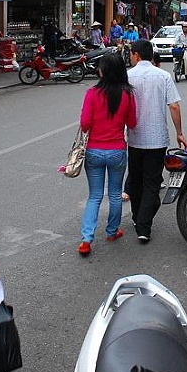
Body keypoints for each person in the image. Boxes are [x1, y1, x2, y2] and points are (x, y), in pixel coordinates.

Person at [126, 40, 187, 243]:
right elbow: (174, 106)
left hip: (134, 138)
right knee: (152, 182)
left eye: (130, 54)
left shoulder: (127, 76)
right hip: (157, 139)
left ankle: (138, 219)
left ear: (136, 55)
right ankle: (144, 225)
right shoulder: (163, 76)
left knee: (136, 180)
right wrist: (179, 133)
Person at [77, 54, 137, 256]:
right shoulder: (128, 94)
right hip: (117, 151)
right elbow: (133, 123)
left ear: (104, 71)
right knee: (114, 194)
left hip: (94, 151)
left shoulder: (92, 93)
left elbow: (85, 123)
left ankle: (86, 240)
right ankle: (112, 231)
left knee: (94, 196)